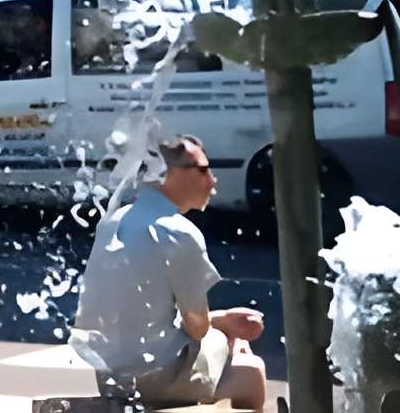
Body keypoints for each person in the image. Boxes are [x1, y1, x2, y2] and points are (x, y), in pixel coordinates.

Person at [75, 136, 269, 410]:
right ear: (168, 175)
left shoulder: (113, 222)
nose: (212, 181)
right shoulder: (180, 232)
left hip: (111, 377)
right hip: (156, 379)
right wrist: (224, 332)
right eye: (202, 170)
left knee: (225, 342)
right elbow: (197, 328)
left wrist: (221, 321)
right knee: (253, 370)